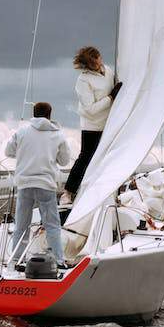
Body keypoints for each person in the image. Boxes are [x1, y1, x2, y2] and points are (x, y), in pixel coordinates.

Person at [4, 101, 71, 269]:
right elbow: (64, 161)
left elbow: (8, 152)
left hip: (24, 184)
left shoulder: (22, 131)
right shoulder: (58, 135)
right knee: (52, 226)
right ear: (50, 115)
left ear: (33, 114)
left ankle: (16, 260)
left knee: (21, 226)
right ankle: (59, 260)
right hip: (46, 184)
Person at [61, 45, 121, 208]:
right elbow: (90, 109)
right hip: (92, 125)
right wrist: (110, 98)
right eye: (94, 63)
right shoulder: (83, 80)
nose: (98, 64)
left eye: (99, 59)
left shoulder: (107, 70)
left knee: (110, 157)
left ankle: (110, 192)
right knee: (86, 157)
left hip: (110, 124)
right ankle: (68, 192)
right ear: (87, 65)